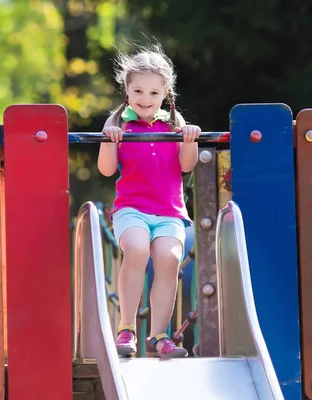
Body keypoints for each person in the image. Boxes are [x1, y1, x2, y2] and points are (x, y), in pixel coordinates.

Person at [97, 44, 201, 359]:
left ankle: (159, 336)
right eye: (138, 91)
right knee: (138, 249)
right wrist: (110, 141)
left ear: (165, 92)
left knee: (169, 259)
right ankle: (126, 328)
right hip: (132, 209)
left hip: (169, 212)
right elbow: (106, 170)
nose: (145, 99)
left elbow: (186, 166)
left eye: (154, 93)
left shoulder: (174, 121)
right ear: (126, 90)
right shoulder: (117, 122)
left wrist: (189, 139)